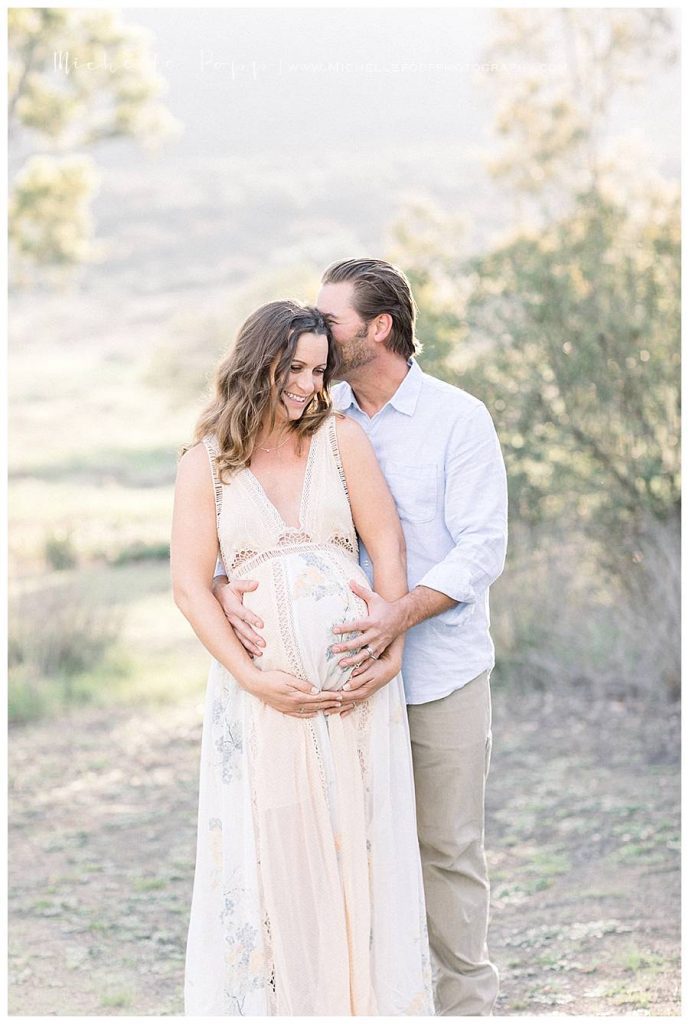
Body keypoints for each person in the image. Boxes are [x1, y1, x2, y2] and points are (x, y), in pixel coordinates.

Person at [212, 260, 508, 1016]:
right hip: (334, 685)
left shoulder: (456, 418)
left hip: (437, 673)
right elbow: (247, 516)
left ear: (377, 329)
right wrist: (223, 585)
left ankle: (465, 1004)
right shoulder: (315, 409)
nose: (315, 331)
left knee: (443, 850)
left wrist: (397, 618)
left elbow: (481, 549)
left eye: (331, 319)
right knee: (351, 848)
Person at [170, 299, 434, 1016]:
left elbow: (388, 550)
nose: (308, 386)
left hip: (357, 691)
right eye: (295, 369)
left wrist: (390, 646)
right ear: (257, 363)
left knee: (363, 850)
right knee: (278, 856)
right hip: (264, 700)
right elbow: (191, 589)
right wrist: (254, 677)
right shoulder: (207, 463)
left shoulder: (340, 439)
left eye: (319, 371)